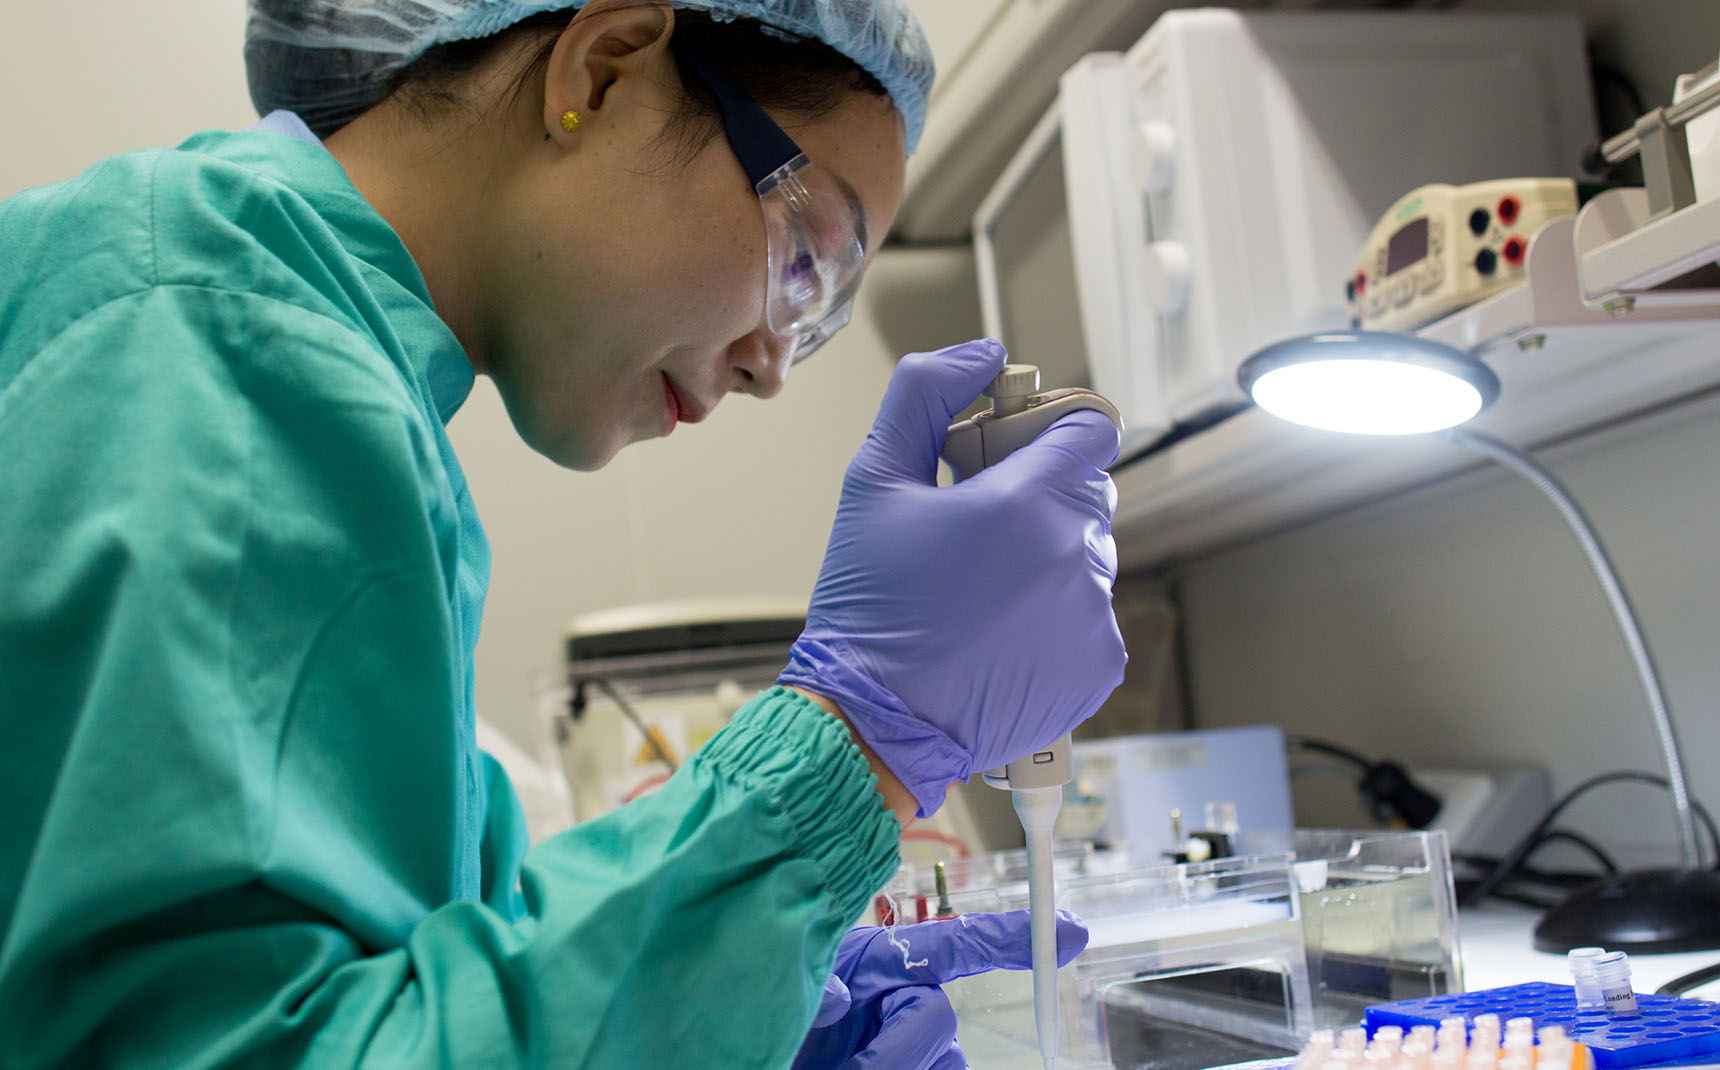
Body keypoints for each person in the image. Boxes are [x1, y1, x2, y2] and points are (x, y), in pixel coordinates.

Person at [0, 0, 1126, 1066]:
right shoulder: (216, 347)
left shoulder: (316, 374)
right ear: (604, 69)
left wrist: (722, 1002)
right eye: (806, 261)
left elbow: (408, 997)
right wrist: (858, 742)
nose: (772, 368)